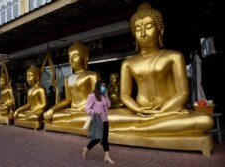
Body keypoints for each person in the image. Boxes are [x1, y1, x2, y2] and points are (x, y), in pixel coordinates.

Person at [107, 3, 213, 133]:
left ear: (160, 30)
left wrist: (162, 110)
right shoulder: (128, 63)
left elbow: (183, 93)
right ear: (133, 33)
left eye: (149, 26)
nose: (143, 33)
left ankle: (136, 127)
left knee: (205, 121)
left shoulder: (173, 56)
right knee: (105, 117)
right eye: (138, 29)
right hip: (139, 112)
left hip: (168, 111)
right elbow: (124, 95)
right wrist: (138, 109)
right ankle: (145, 125)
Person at [44, 42, 100, 125]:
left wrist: (84, 108)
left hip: (86, 110)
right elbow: (68, 99)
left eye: (75, 56)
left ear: (85, 57)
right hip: (72, 110)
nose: (71, 60)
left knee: (91, 118)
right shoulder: (67, 78)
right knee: (50, 116)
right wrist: (53, 108)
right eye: (69, 57)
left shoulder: (92, 75)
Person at [83, 80, 115, 164]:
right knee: (97, 139)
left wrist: (106, 95)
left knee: (105, 139)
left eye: (104, 86)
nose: (104, 88)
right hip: (97, 120)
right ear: (98, 86)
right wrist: (95, 112)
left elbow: (109, 105)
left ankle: (107, 157)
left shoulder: (104, 96)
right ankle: (86, 149)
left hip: (105, 120)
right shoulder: (92, 96)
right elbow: (87, 108)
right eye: (102, 86)